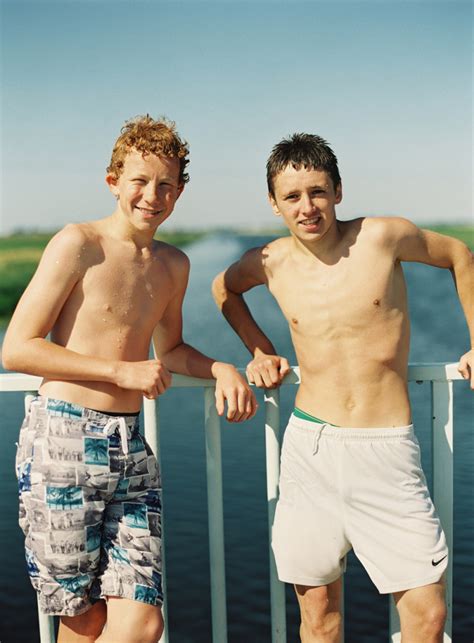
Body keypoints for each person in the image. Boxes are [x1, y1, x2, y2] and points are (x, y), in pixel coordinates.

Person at [2, 115, 257, 643]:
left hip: (131, 446)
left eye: (166, 184)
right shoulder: (79, 243)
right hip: (63, 437)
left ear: (180, 191)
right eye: (140, 180)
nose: (152, 195)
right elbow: (17, 348)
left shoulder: (173, 264)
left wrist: (221, 367)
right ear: (113, 180)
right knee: (83, 615)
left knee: (142, 621)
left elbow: (172, 350)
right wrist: (118, 370)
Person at [212, 133, 473, 643]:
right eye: (292, 196)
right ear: (274, 202)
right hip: (311, 448)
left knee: (427, 614)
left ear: (337, 191)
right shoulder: (270, 260)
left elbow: (460, 255)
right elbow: (225, 289)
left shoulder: (383, 237)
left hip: (386, 447)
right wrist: (260, 350)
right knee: (319, 616)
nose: (307, 207)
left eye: (317, 192)